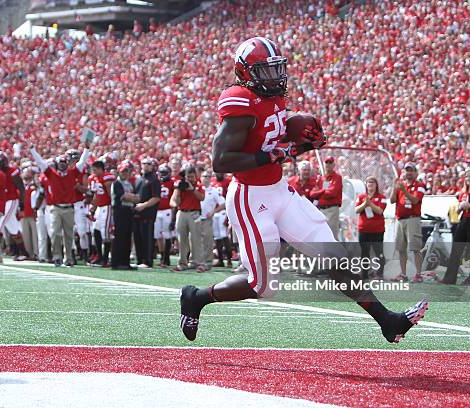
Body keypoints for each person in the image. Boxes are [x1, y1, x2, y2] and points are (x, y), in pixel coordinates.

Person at [179, 37, 427, 344]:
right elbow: (221, 160)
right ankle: (196, 298)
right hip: (250, 197)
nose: (274, 78)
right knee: (262, 286)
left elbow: (276, 147)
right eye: (265, 71)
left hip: (280, 191)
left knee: (336, 258)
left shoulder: (274, 100)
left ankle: (388, 321)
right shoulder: (240, 101)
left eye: (276, 70)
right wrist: (272, 155)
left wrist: (303, 144)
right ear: (245, 73)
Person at [30, 142, 90, 267]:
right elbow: (41, 163)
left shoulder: (72, 173)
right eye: (60, 162)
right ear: (57, 164)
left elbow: (82, 162)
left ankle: (68, 258)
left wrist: (86, 149)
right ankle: (57, 256)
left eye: (64, 162)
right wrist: (32, 150)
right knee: (55, 233)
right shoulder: (52, 174)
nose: (62, 164)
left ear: (67, 164)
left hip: (69, 207)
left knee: (68, 235)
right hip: (56, 208)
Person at [441, 168, 470, 285]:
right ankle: (450, 278)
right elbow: (458, 211)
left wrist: (469, 206)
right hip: (463, 220)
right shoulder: (462, 193)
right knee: (456, 249)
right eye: (466, 176)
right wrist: (460, 207)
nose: (467, 178)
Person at [390, 162, 425, 282]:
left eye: (411, 170)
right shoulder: (401, 184)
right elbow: (392, 200)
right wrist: (394, 188)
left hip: (412, 218)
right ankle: (403, 274)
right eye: (407, 170)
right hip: (400, 219)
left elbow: (415, 200)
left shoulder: (419, 185)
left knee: (415, 248)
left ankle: (418, 274)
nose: (409, 173)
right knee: (401, 248)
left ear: (415, 172)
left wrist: (404, 190)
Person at [170, 165, 205, 272]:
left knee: (196, 239)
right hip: (182, 212)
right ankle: (182, 263)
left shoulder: (198, 184)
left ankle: (197, 262)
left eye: (192, 176)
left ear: (195, 176)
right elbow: (175, 202)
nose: (190, 179)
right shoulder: (180, 184)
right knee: (181, 239)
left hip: (194, 212)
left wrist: (192, 189)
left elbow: (202, 198)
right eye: (188, 177)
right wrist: (178, 190)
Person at [0, 151, 27, 261]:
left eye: (0, 162)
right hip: (3, 201)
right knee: (13, 228)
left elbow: (22, 189)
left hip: (11, 200)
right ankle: (23, 252)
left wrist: (22, 205)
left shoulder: (12, 171)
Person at [355, 176, 387, 280]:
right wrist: (365, 204)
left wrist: (370, 204)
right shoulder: (361, 197)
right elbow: (356, 210)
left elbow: (379, 211)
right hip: (364, 229)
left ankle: (380, 273)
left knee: (379, 252)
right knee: (365, 252)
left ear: (376, 184)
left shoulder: (382, 197)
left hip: (377, 230)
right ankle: (364, 274)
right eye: (368, 182)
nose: (370, 184)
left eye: (373, 182)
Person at [133, 157, 161, 268]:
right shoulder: (138, 179)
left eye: (148, 164)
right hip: (137, 213)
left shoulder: (154, 180)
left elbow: (156, 198)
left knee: (147, 237)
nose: (146, 166)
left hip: (148, 213)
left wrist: (143, 205)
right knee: (137, 237)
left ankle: (147, 260)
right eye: (144, 163)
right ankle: (139, 259)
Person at [111, 161, 138, 270]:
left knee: (127, 237)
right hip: (119, 211)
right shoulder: (116, 183)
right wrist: (133, 197)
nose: (125, 173)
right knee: (119, 237)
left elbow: (136, 197)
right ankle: (116, 262)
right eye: (123, 171)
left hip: (128, 211)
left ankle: (125, 262)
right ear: (119, 172)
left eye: (127, 171)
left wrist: (132, 197)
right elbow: (123, 196)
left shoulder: (129, 183)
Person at [88, 160, 116, 266]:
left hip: (107, 207)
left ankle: (105, 259)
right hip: (100, 207)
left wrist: (114, 206)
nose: (93, 172)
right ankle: (99, 256)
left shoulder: (107, 177)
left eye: (95, 170)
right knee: (96, 231)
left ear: (100, 168)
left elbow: (111, 194)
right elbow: (96, 195)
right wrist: (93, 207)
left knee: (105, 233)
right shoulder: (96, 178)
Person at [310, 156, 342, 240]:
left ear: (334, 164)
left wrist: (320, 192)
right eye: (326, 162)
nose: (328, 165)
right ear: (324, 164)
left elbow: (332, 193)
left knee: (332, 236)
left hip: (332, 209)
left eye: (330, 163)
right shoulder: (321, 178)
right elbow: (312, 194)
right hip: (321, 210)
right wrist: (323, 191)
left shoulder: (337, 177)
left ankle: (334, 253)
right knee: (322, 236)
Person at [199, 170, 225, 271]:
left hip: (207, 219)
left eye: (208, 177)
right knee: (195, 241)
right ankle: (195, 261)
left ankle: (207, 262)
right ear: (200, 177)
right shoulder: (197, 189)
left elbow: (223, 203)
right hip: (196, 217)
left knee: (207, 241)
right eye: (204, 176)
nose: (206, 178)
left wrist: (214, 211)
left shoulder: (214, 191)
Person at [155, 164, 175, 267]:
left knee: (167, 234)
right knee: (158, 235)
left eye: (165, 173)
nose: (162, 175)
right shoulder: (156, 183)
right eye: (161, 173)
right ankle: (162, 256)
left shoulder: (172, 183)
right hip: (157, 211)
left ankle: (166, 258)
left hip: (167, 210)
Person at [20, 167, 39, 261]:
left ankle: (36, 253)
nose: (25, 175)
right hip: (23, 214)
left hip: (32, 214)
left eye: (27, 173)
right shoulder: (21, 186)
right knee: (26, 235)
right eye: (24, 173)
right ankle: (28, 253)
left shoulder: (34, 186)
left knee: (35, 235)